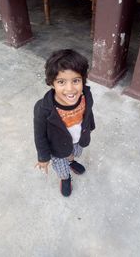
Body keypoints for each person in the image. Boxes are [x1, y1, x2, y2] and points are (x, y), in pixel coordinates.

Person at [34, 49, 95, 197]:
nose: (70, 89)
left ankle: (71, 162)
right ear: (52, 83)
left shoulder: (86, 96)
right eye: (61, 82)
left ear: (83, 80)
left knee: (73, 153)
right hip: (56, 148)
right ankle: (65, 178)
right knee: (61, 167)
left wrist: (90, 127)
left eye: (76, 80)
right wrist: (43, 158)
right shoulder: (43, 109)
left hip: (77, 140)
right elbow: (39, 135)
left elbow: (88, 113)